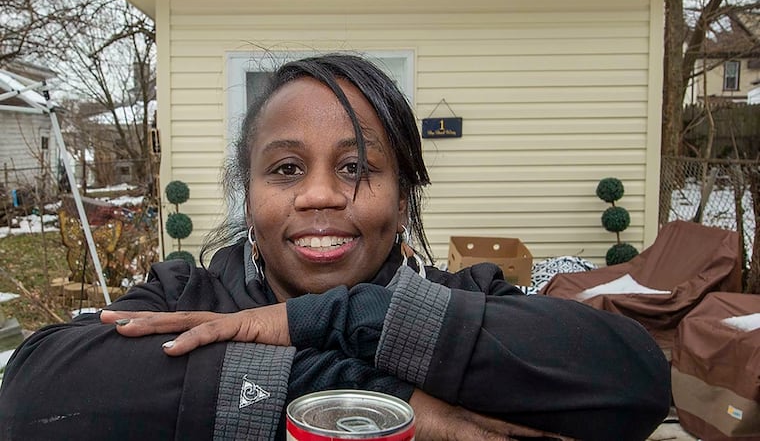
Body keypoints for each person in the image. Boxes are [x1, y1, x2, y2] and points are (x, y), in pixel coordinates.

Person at [0, 54, 670, 440]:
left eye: (356, 168)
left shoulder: (463, 302)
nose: (319, 194)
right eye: (286, 168)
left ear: (402, 198)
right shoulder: (184, 297)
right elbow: (32, 397)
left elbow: (635, 382)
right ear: (250, 195)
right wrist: (367, 394)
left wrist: (334, 319)